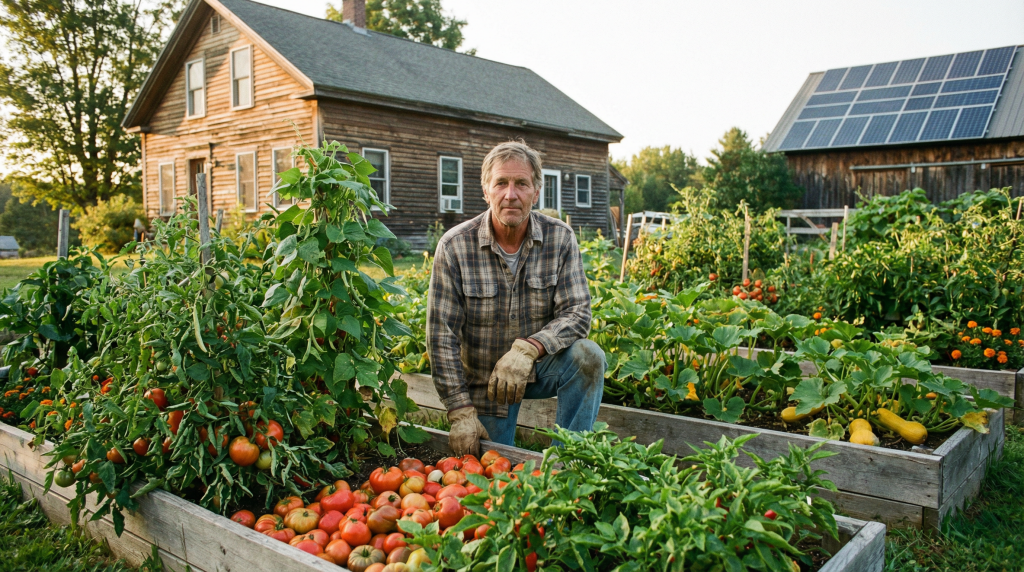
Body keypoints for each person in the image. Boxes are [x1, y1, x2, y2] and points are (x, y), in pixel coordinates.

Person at [426, 140, 605, 456]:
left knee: (588, 356)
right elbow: (441, 338)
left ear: (536, 191)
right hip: (486, 384)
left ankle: (570, 462)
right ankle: (482, 423)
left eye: (521, 184)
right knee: (491, 477)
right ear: (486, 191)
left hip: (539, 367)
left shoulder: (560, 238)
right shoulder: (454, 246)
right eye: (501, 183)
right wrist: (460, 411)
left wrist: (529, 349)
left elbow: (577, 312)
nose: (511, 194)